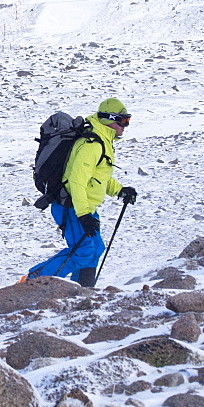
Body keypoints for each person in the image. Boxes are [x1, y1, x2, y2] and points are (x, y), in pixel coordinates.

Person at [27, 99, 137, 287]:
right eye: (123, 121)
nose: (125, 126)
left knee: (94, 249)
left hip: (83, 206)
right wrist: (83, 214)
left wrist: (120, 190)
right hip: (71, 206)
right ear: (109, 119)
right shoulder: (92, 145)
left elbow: (97, 176)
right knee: (83, 250)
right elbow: (77, 182)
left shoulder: (103, 141)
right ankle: (33, 283)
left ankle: (81, 291)